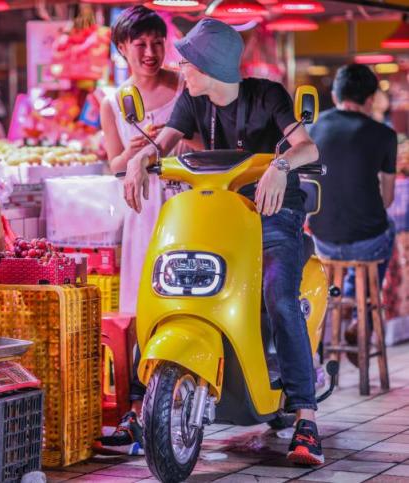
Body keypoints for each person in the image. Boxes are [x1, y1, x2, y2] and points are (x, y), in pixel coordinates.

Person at [123, 18, 324, 465]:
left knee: (277, 293)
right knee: (165, 281)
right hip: (215, 212)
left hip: (273, 213)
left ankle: (306, 420)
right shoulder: (192, 101)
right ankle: (140, 402)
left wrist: (280, 166)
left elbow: (307, 147)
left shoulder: (267, 96)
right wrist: (140, 158)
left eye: (187, 61)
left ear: (209, 66)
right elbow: (164, 143)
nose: (180, 67)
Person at [96, 5, 196, 456]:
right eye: (141, 45)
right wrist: (134, 152)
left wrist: (170, 143)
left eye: (158, 43)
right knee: (141, 303)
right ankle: (140, 404)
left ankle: (186, 390)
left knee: (188, 297)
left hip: (185, 204)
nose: (151, 52)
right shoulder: (113, 103)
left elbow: (207, 146)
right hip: (142, 209)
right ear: (122, 49)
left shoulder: (186, 87)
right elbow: (114, 165)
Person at [308, 64, 397, 362]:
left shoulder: (314, 128)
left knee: (356, 241)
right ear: (370, 99)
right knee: (389, 229)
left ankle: (344, 300)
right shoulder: (384, 135)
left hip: (322, 241)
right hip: (367, 242)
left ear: (335, 95)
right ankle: (363, 317)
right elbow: (387, 199)